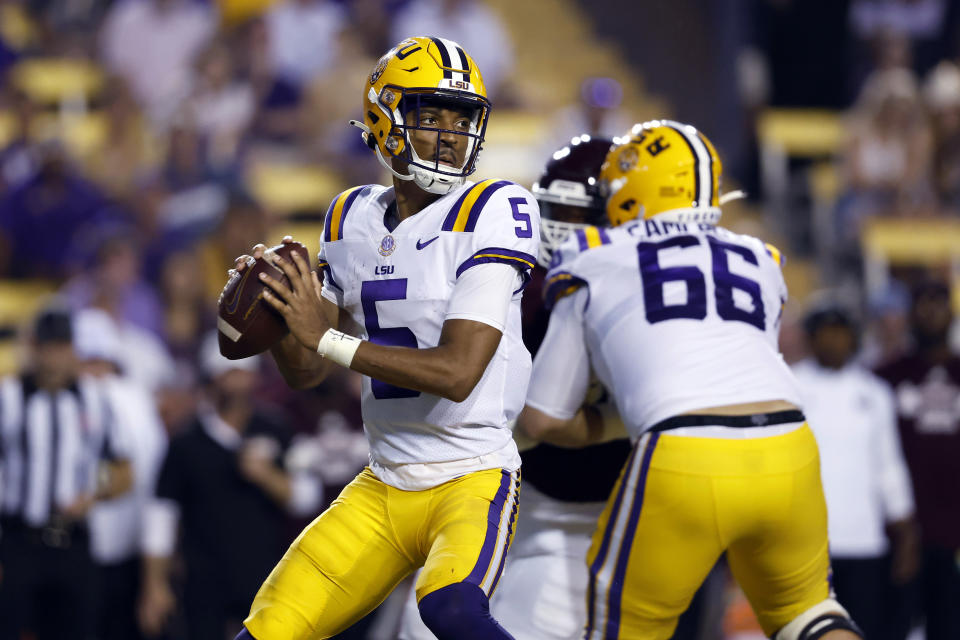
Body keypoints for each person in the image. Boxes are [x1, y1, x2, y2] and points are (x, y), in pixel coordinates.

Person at [230, 36, 539, 640]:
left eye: (463, 116)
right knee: (266, 631)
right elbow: (305, 371)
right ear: (385, 119)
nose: (451, 133)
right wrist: (277, 309)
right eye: (431, 114)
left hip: (471, 475)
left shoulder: (494, 207)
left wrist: (327, 340)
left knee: (449, 607)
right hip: (384, 480)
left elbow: (457, 373)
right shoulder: (350, 216)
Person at [518, 120, 862, 640]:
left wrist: (617, 421)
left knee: (620, 630)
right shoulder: (760, 257)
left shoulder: (591, 259)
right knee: (810, 614)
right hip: (789, 443)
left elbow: (543, 418)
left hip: (685, 452)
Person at [139, 333, 321, 640]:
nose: (237, 381)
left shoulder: (276, 427)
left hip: (266, 578)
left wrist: (267, 477)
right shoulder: (186, 441)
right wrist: (154, 585)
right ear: (211, 378)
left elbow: (307, 498)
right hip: (202, 583)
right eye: (228, 372)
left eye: (243, 372)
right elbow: (161, 517)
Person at [0, 306, 133, 640]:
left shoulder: (95, 399)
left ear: (74, 349)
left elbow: (123, 469)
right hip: (19, 540)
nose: (55, 357)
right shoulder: (8, 397)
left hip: (75, 542)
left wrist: (94, 496)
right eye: (48, 347)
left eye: (62, 347)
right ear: (34, 348)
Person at [792, 301, 918, 640]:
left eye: (841, 332)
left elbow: (889, 466)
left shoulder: (874, 392)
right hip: (805, 545)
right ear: (811, 338)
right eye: (825, 333)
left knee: (863, 630)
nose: (833, 341)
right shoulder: (790, 387)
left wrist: (906, 533)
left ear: (853, 338)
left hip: (865, 542)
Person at [875, 280, 960, 640]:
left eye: (938, 303)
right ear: (909, 315)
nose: (930, 313)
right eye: (922, 305)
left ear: (952, 312)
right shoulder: (883, 378)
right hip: (899, 536)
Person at [76, 308, 168, 640]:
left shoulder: (115, 396)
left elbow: (127, 475)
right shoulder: (136, 397)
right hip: (135, 548)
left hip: (91, 548)